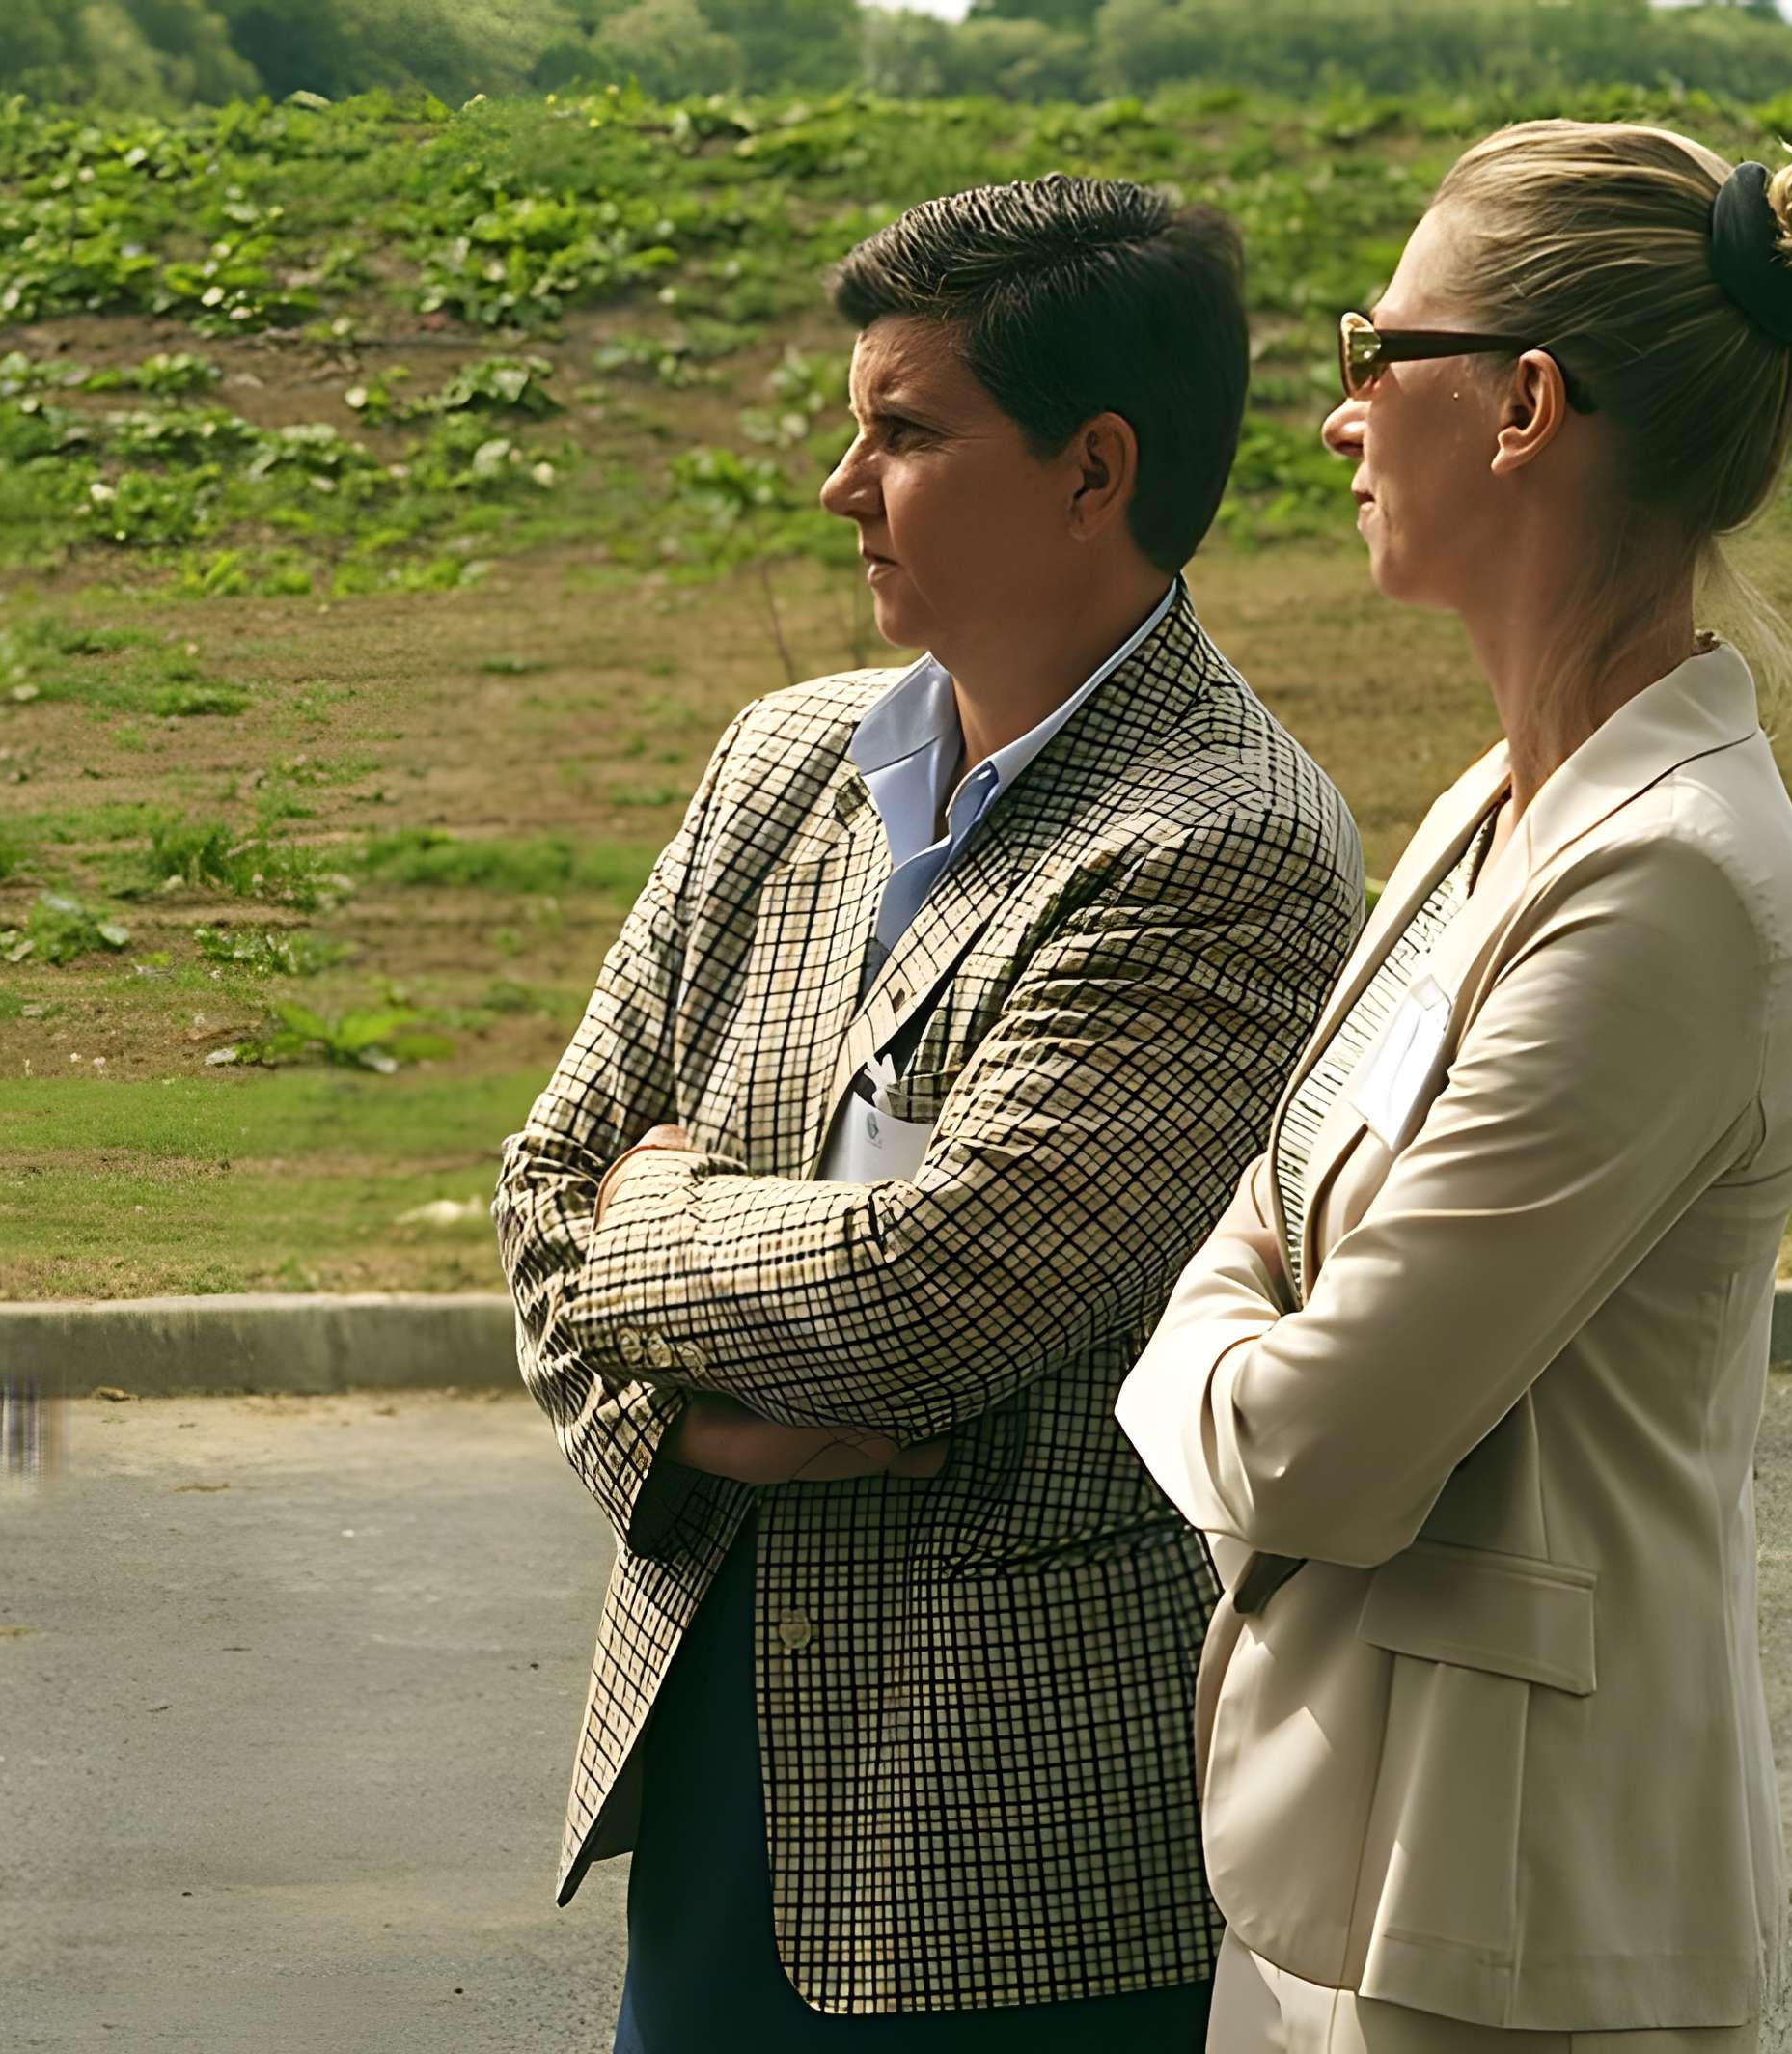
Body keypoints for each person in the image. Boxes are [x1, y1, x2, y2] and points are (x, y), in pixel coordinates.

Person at [495, 176, 1365, 2049]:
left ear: (1090, 468)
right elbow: (538, 1180)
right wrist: (684, 1435)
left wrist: (649, 1224)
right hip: (711, 1756)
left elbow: (927, 1289)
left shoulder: (1227, 843)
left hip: (1008, 1856)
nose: (840, 480)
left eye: (902, 429)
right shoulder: (784, 757)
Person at [1115, 129, 1792, 2052]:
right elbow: (1276, 1220)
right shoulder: (1502, 812)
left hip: (1515, 1923)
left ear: (1524, 403)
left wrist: (1191, 1351)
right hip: (1360, 1870)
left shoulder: (1669, 886)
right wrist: (1250, 1323)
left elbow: (1323, 1436)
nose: (1336, 416)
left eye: (1372, 349)